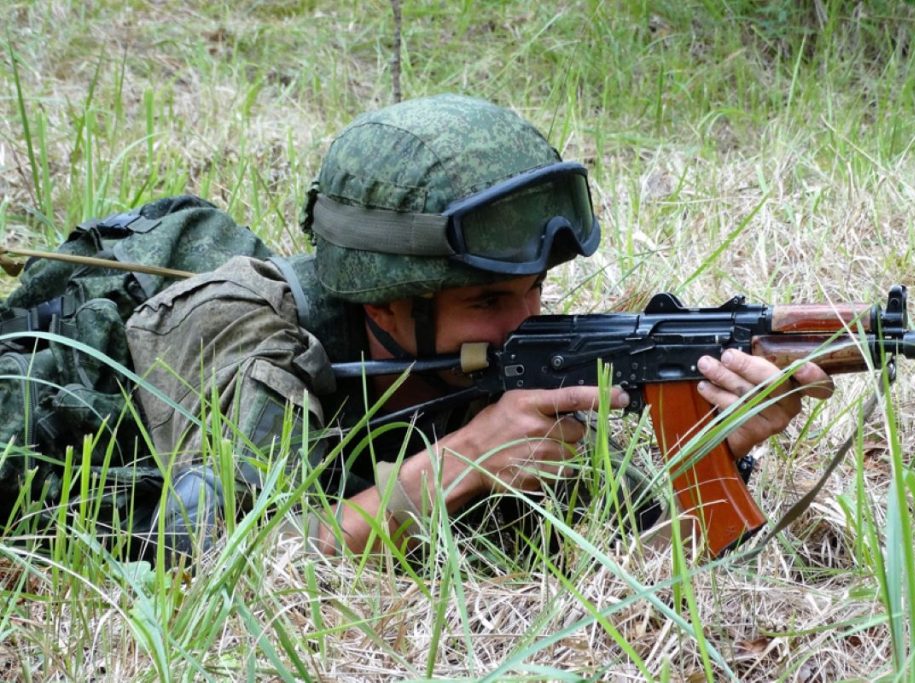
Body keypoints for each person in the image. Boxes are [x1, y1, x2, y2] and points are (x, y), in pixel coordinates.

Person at [124, 94, 833, 558]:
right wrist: (462, 461)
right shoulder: (252, 328)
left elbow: (623, 548)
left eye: (536, 291)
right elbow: (207, 562)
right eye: (488, 302)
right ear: (384, 305)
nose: (527, 323)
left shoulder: (486, 370)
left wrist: (715, 448)